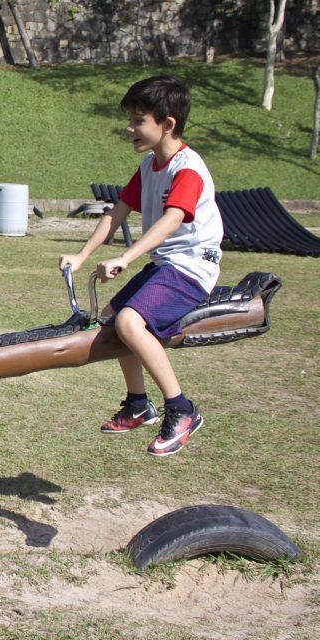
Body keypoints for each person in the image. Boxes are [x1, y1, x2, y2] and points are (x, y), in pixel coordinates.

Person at [58, 75, 223, 457]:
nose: (129, 128)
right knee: (111, 320)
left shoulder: (188, 169)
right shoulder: (150, 166)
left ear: (167, 124)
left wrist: (125, 257)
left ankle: (182, 408)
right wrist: (82, 255)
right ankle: (138, 403)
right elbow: (117, 213)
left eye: (137, 120)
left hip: (193, 266)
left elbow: (172, 219)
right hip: (168, 263)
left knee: (130, 322)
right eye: (129, 120)